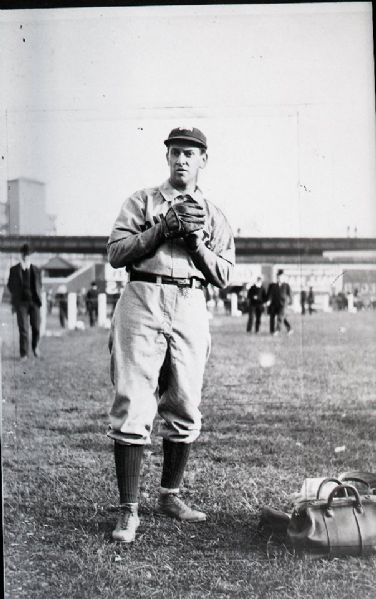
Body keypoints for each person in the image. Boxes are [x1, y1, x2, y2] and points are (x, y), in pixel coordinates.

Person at [107, 126, 235, 543]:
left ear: (203, 160)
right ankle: (128, 510)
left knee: (184, 400)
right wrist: (160, 230)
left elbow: (225, 275)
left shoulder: (214, 214)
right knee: (133, 397)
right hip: (144, 292)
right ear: (167, 157)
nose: (182, 160)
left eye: (190, 153)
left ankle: (170, 495)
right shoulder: (142, 201)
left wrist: (196, 242)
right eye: (176, 152)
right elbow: (115, 254)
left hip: (191, 302)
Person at [7, 242, 42, 360]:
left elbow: (39, 285)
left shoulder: (36, 270)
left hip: (34, 303)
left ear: (30, 255)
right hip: (21, 303)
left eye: (28, 254)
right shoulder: (14, 270)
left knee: (36, 327)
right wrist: (15, 299)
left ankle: (35, 347)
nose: (26, 256)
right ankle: (24, 354)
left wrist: (38, 299)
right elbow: (10, 285)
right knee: (23, 329)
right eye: (24, 254)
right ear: (21, 255)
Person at [266, 269, 293, 335]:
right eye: (278, 277)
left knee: (280, 317)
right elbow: (270, 294)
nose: (279, 278)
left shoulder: (286, 285)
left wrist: (291, 302)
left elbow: (290, 294)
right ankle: (289, 328)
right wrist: (269, 301)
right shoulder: (273, 285)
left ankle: (277, 330)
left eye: (280, 277)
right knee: (283, 318)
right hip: (275, 304)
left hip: (283, 304)